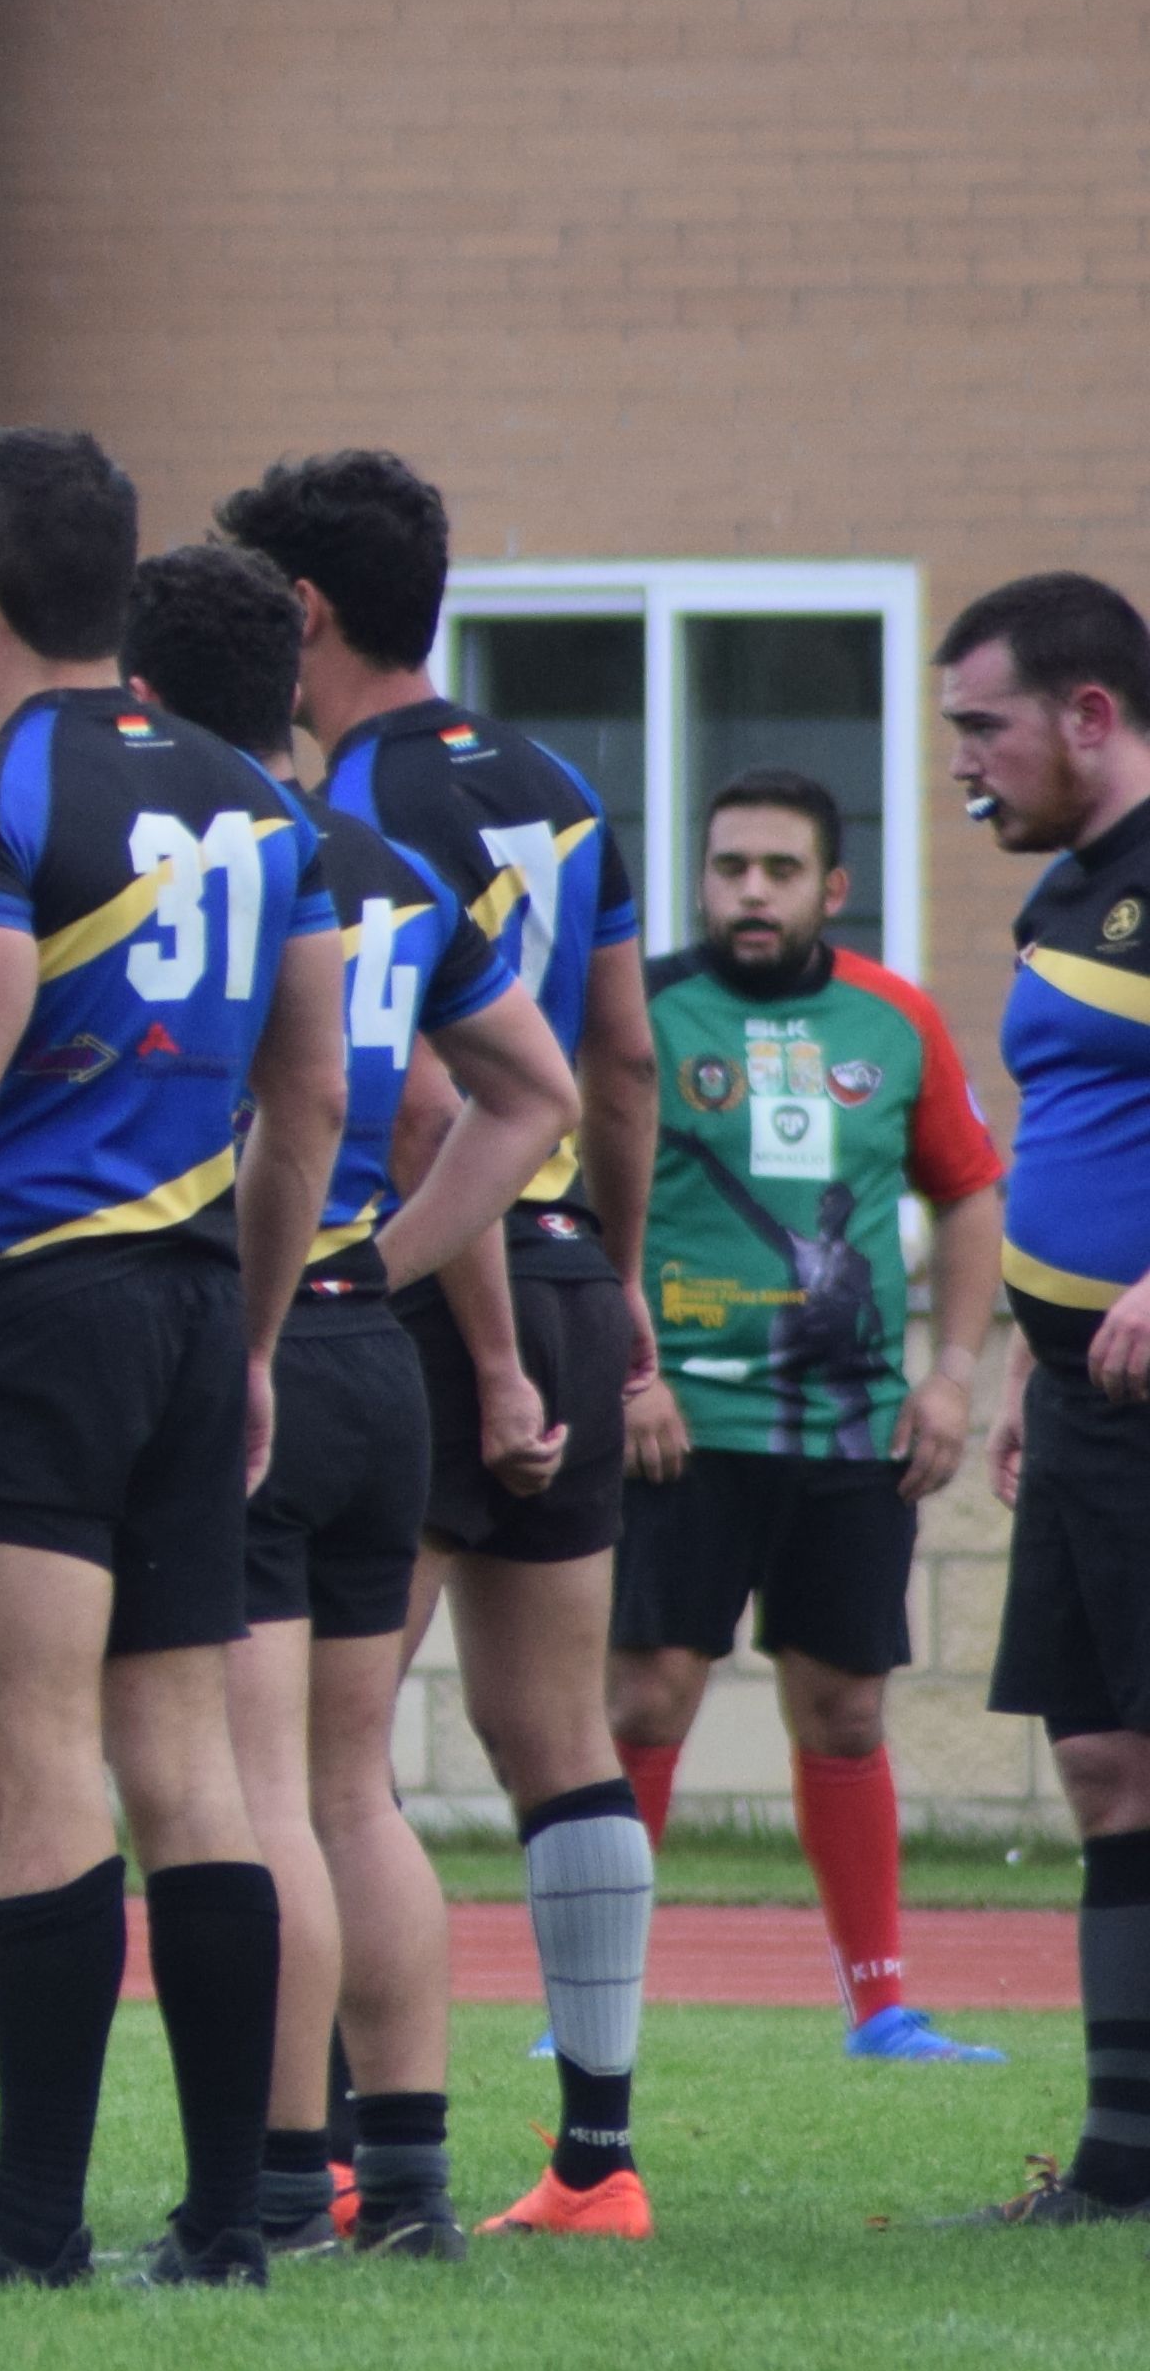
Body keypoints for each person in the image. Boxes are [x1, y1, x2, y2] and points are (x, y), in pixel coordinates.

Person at [0, 434, 341, 2291]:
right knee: (189, 1766)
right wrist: (253, 1336)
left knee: (35, 1762)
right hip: (193, 1313)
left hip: (32, 1313)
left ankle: (29, 2229)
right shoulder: (275, 811)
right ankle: (228, 2225)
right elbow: (313, 1101)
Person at [221, 448, 672, 2242]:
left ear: (301, 616)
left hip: (405, 1281)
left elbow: (414, 1104)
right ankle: (596, 2152)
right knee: (554, 1731)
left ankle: (329, 2147)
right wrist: (615, 1289)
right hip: (566, 1269)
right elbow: (621, 1061)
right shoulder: (558, 784)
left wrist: (391, 1277)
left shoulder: (354, 805)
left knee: (338, 1752)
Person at [119, 544, 578, 2260]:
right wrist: (389, 1264)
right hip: (370, 1359)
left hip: (246, 1347)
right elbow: (522, 1093)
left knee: (246, 1795)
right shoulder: (388, 865)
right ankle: (408, 2186)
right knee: (355, 1787)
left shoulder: (194, 860)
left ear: (145, 701)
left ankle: (278, 2181)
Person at [613, 764, 1013, 2063]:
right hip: (683, 1424)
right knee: (645, 1700)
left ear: (831, 889)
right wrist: (629, 1372)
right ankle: (593, 1995)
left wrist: (950, 1374)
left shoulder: (895, 1020)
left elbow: (968, 1194)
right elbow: (567, 1195)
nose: (750, 892)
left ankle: (882, 2006)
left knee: (844, 1709)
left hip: (851, 1436)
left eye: (779, 870)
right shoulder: (640, 1013)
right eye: (730, 867)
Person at [930, 572, 1150, 2226]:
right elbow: (1056, 1147)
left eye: (981, 729)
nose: (964, 767)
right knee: (1102, 1764)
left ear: (1090, 713)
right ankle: (1121, 2166)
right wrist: (1017, 1359)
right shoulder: (1063, 900)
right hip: (1075, 1399)